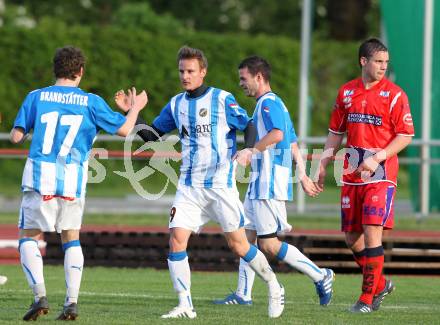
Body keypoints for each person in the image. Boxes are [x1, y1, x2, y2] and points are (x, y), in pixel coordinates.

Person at [115, 46, 286, 319]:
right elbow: (152, 136)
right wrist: (133, 113)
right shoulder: (176, 104)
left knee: (239, 246)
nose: (185, 75)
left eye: (191, 71)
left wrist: (248, 149)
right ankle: (185, 305)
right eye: (182, 71)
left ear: (202, 72)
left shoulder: (221, 99)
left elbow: (250, 125)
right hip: (189, 186)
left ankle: (274, 286)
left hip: (220, 185)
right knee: (176, 239)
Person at [10, 46, 148, 321]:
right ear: (80, 71)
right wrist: (134, 109)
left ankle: (40, 297)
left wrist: (26, 130)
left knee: (29, 236)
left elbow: (16, 137)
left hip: (39, 176)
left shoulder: (35, 97)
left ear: (55, 69)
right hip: (72, 177)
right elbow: (124, 130)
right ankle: (71, 302)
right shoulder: (91, 101)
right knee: (70, 238)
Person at [214, 56, 335, 307]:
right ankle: (243, 294)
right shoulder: (273, 103)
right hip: (261, 183)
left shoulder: (268, 104)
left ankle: (320, 275)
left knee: (268, 245)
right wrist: (302, 175)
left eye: (243, 78)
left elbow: (278, 134)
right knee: (246, 239)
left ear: (259, 77)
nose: (241, 84)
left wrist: (251, 151)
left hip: (267, 183)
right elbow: (291, 142)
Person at [316, 38, 414, 313]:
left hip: (380, 172)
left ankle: (367, 299)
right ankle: (380, 283)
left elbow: (405, 135)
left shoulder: (395, 94)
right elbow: (336, 132)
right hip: (351, 171)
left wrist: (377, 158)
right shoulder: (346, 92)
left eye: (386, 62)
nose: (383, 67)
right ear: (363, 62)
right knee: (352, 238)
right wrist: (322, 165)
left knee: (373, 234)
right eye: (378, 62)